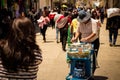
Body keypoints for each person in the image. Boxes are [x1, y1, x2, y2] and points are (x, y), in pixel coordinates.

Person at [71, 10, 100, 78]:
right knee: (82, 57)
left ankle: (91, 74)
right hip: (83, 42)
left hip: (93, 41)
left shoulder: (93, 22)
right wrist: (75, 38)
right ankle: (83, 73)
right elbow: (78, 31)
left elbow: (94, 33)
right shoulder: (80, 22)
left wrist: (87, 38)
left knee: (92, 59)